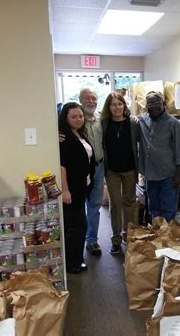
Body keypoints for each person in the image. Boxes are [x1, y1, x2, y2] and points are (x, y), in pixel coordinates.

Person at [59, 102, 95, 274]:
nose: (78, 119)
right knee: (76, 226)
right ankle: (72, 263)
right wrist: (65, 190)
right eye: (74, 116)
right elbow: (62, 166)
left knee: (79, 224)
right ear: (65, 118)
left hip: (83, 186)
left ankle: (76, 259)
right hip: (72, 189)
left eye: (80, 116)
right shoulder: (64, 138)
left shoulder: (79, 134)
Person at [100, 92, 139, 254]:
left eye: (120, 104)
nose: (117, 107)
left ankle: (128, 236)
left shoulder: (133, 123)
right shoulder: (103, 124)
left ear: (124, 105)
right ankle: (116, 239)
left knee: (129, 203)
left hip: (130, 169)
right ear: (108, 107)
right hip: (112, 171)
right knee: (115, 204)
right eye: (113, 104)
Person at [138, 91, 180, 221]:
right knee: (154, 208)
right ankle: (158, 237)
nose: (153, 106)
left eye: (156, 102)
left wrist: (178, 175)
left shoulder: (175, 124)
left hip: (168, 175)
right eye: (150, 103)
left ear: (163, 104)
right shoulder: (142, 120)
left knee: (168, 209)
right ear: (146, 106)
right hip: (150, 174)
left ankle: (167, 237)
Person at [78, 88, 105, 256]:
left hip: (99, 167)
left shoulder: (101, 119)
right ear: (81, 100)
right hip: (81, 170)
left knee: (95, 206)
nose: (92, 102)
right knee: (80, 206)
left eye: (94, 98)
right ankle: (78, 241)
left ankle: (92, 241)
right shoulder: (75, 120)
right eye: (88, 98)